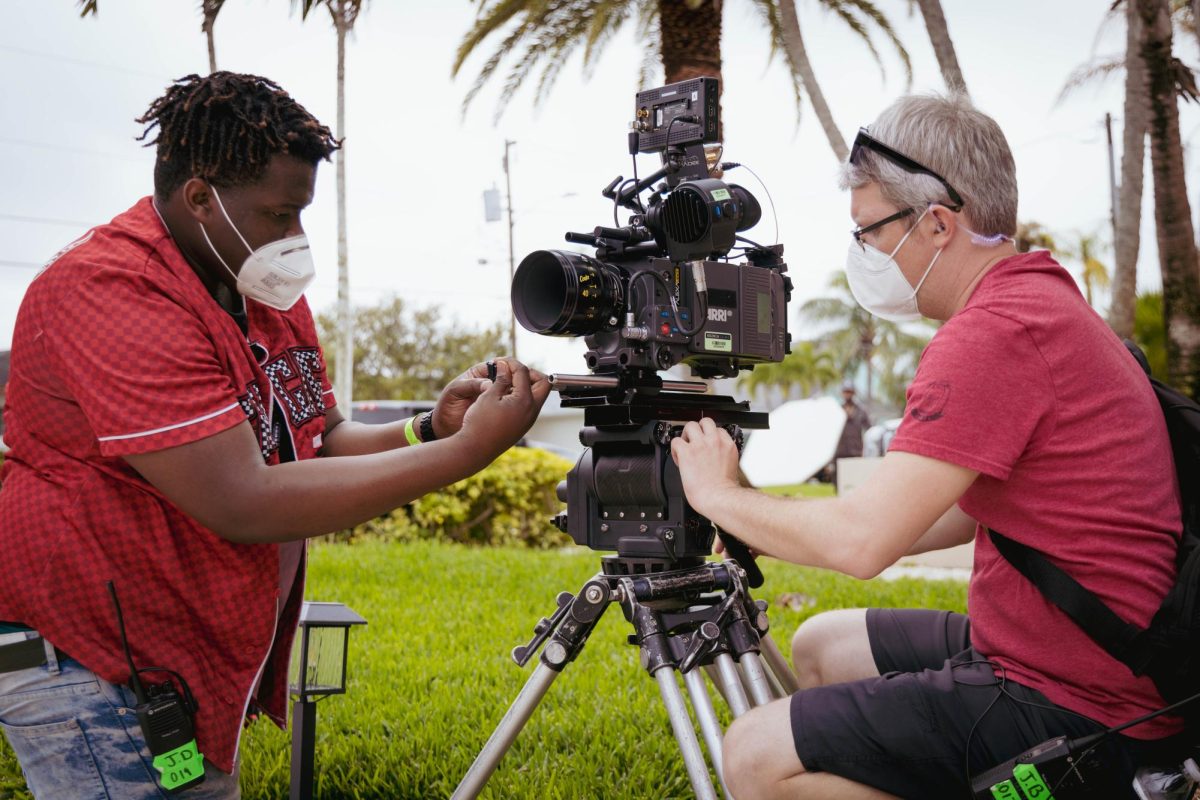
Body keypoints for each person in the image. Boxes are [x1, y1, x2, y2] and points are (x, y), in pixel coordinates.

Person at [0, 72, 549, 799]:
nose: (296, 238)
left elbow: (316, 441)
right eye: (280, 213)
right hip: (89, 662)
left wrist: (427, 428)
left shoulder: (257, 285)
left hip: (175, 660)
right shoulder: (111, 291)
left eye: (302, 213)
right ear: (200, 198)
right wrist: (466, 453)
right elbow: (241, 499)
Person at [671, 93, 1186, 799]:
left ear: (938, 223)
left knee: (756, 757)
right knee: (823, 645)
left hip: (1086, 703)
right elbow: (954, 511)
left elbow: (863, 544)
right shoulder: (1041, 298)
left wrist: (715, 494)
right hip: (1076, 652)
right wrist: (760, 514)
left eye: (869, 233)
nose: (866, 254)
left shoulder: (993, 333)